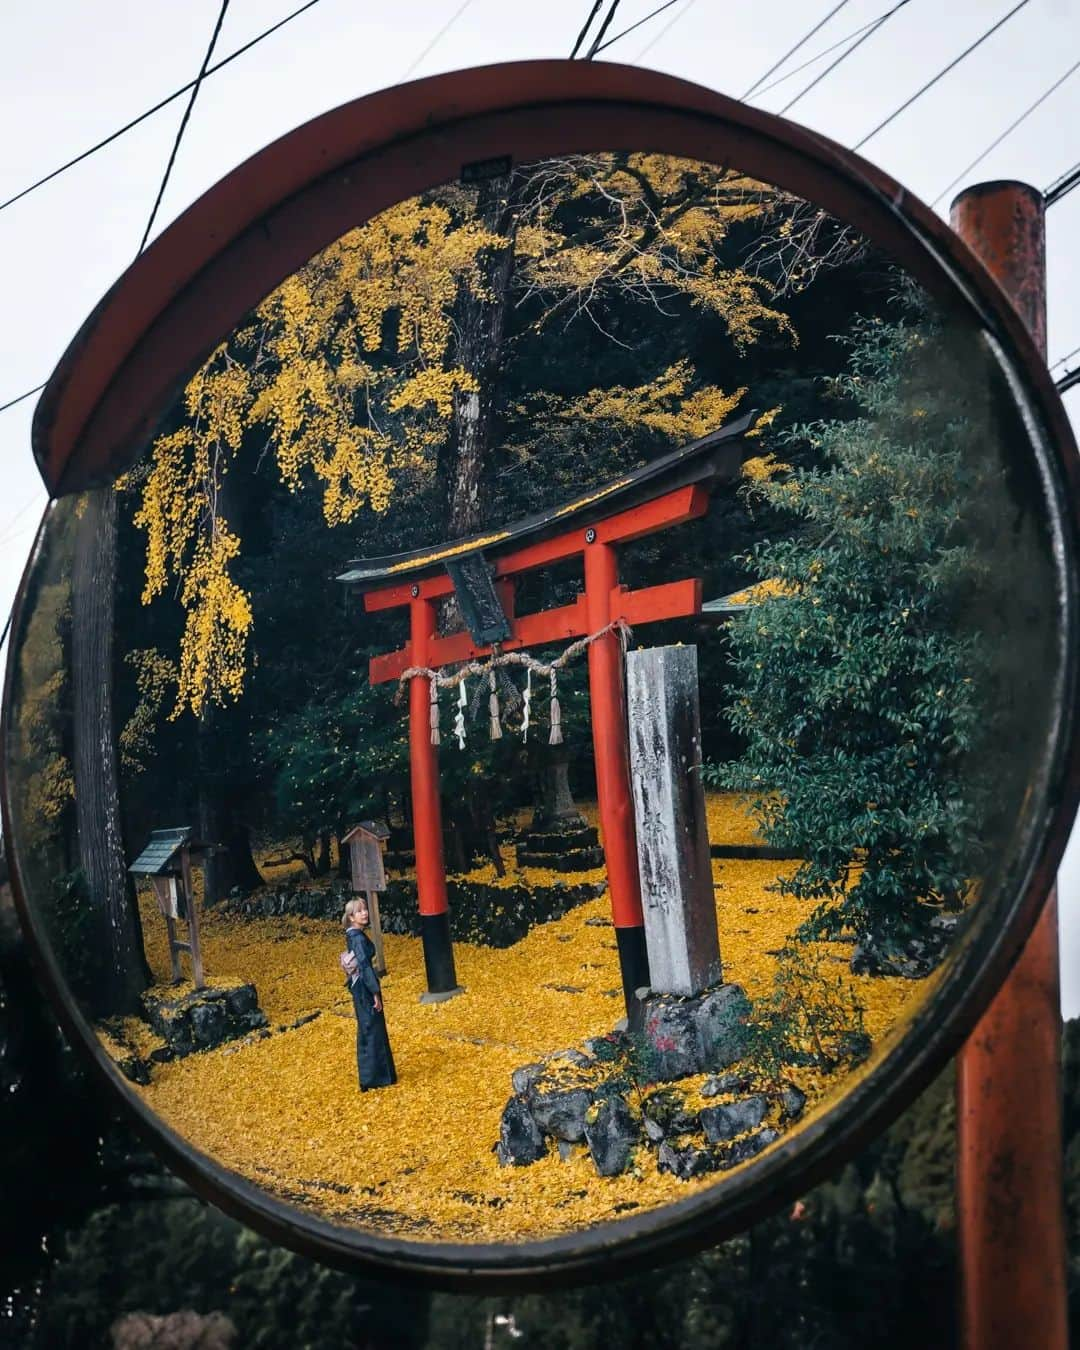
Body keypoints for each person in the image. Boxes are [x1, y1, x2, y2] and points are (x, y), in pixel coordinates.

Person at [343, 897, 397, 1090]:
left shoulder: (352, 935)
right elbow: (365, 966)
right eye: (359, 911)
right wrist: (374, 992)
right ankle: (375, 1077)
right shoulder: (357, 937)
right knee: (371, 1029)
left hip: (360, 984)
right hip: (365, 987)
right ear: (351, 917)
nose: (364, 913)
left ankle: (377, 1075)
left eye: (365, 909)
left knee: (369, 1028)